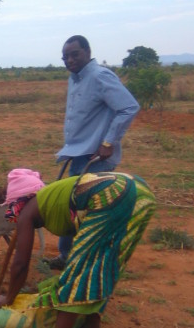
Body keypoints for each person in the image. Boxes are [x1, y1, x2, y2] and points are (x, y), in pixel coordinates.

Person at [0, 168, 155, 328]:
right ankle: (91, 326)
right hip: (140, 191)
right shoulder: (53, 197)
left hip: (113, 192)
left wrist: (9, 298)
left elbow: (20, 263)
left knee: (80, 267)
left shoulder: (27, 211)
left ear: (18, 201)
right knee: (105, 260)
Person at [50, 35, 140, 270]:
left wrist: (109, 142)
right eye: (65, 57)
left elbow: (128, 107)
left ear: (88, 52)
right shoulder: (75, 78)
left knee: (89, 211)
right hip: (78, 154)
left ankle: (90, 261)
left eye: (75, 54)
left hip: (97, 158)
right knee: (72, 207)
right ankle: (66, 256)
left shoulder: (99, 76)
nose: (70, 60)